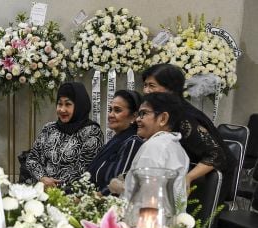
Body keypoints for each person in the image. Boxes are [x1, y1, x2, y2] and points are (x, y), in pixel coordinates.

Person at [141, 64, 234, 193]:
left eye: (152, 86)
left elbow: (216, 155)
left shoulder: (184, 116)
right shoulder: (164, 110)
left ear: (171, 89)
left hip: (208, 182)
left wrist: (188, 178)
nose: (146, 91)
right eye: (145, 85)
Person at [110, 92, 190, 202]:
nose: (138, 119)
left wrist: (121, 189)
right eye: (138, 114)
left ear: (163, 118)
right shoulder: (176, 147)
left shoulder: (154, 146)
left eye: (144, 113)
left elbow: (145, 198)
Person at [25, 82, 103, 187]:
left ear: (80, 105)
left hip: (72, 196)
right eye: (59, 104)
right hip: (41, 190)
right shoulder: (49, 128)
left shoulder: (92, 132)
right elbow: (32, 159)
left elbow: (85, 171)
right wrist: (42, 178)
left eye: (68, 104)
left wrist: (55, 186)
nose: (62, 109)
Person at [87, 90, 144, 195]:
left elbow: (120, 185)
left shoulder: (132, 142)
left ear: (133, 116)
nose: (111, 115)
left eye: (117, 110)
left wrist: (92, 199)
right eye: (110, 110)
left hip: (108, 207)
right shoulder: (115, 141)